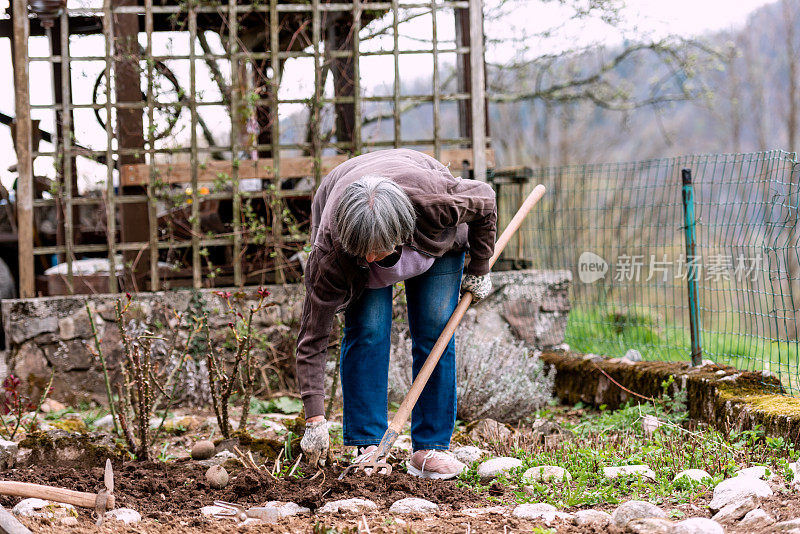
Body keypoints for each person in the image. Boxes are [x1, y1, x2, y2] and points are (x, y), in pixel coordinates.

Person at [297, 148, 496, 479]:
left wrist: (479, 266)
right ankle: (368, 444)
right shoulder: (332, 253)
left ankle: (430, 447)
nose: (373, 258)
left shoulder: (437, 202)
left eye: (380, 249)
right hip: (347, 223)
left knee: (435, 330)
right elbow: (312, 337)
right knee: (368, 331)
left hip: (433, 238)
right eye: (366, 253)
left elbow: (486, 200)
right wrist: (315, 420)